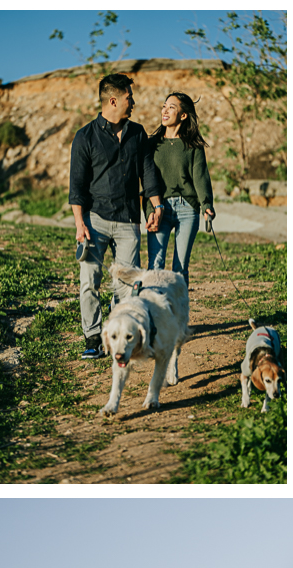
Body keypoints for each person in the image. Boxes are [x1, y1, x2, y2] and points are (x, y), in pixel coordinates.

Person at [69, 72, 164, 361]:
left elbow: (147, 173)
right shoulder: (84, 136)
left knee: (127, 284)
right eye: (128, 97)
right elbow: (77, 185)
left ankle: (119, 333)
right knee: (89, 280)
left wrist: (157, 207)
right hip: (95, 219)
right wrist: (79, 223)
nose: (132, 102)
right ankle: (92, 337)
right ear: (113, 100)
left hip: (127, 220)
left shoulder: (137, 133)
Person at [145, 92, 215, 288]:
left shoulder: (194, 146)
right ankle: (154, 313)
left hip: (188, 210)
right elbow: (148, 182)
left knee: (180, 268)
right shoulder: (152, 145)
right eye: (164, 106)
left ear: (183, 115)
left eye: (171, 107)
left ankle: (178, 316)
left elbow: (200, 177)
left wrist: (206, 205)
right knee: (155, 266)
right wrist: (150, 211)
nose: (164, 110)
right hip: (160, 209)